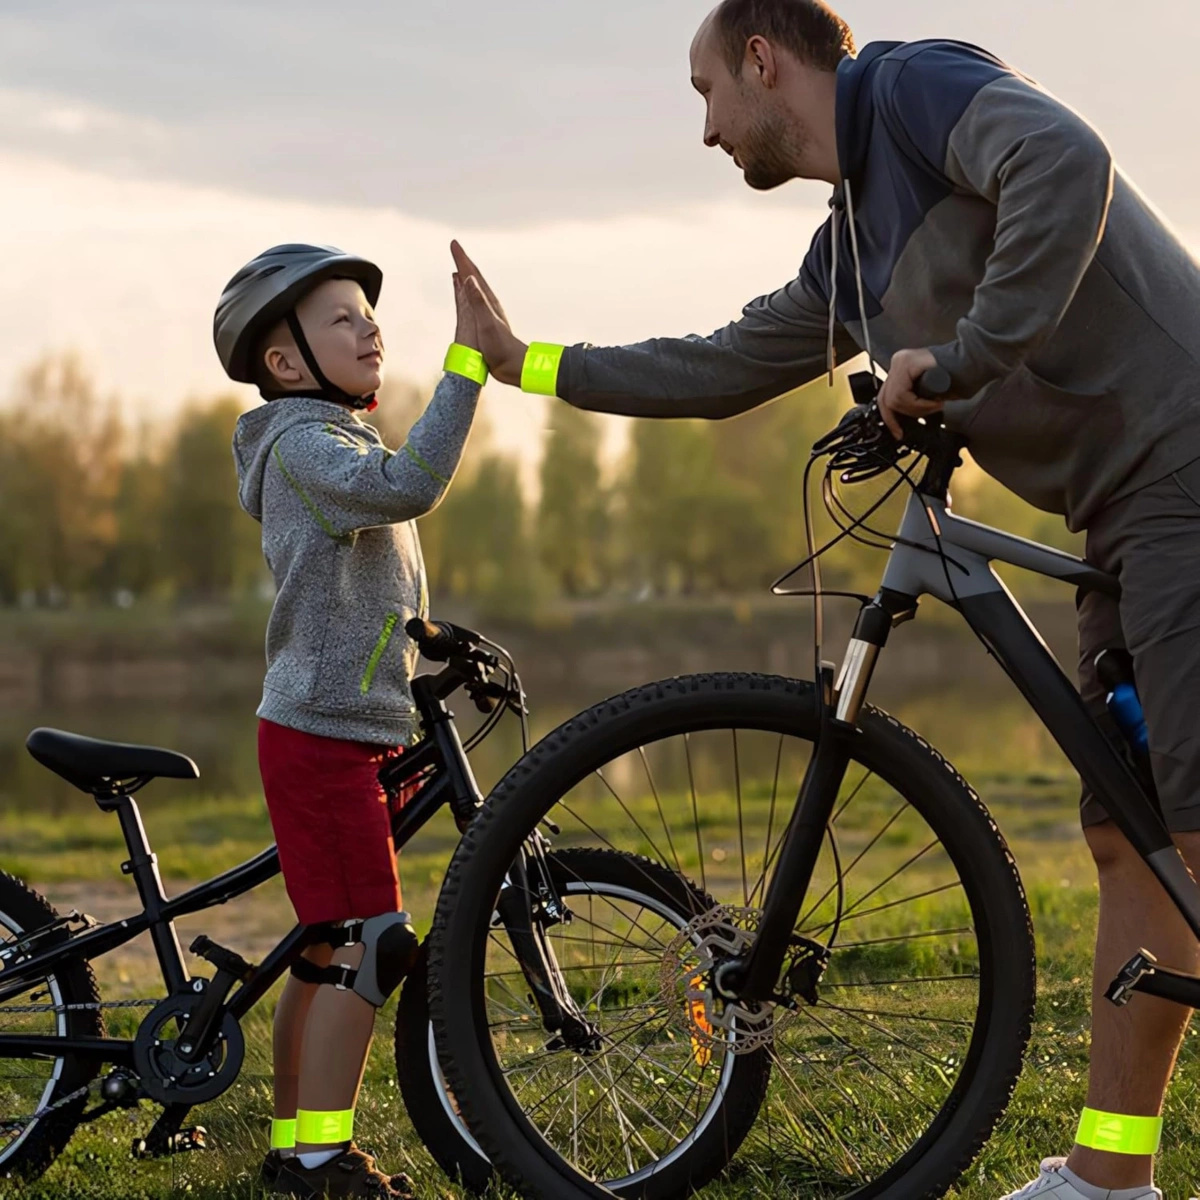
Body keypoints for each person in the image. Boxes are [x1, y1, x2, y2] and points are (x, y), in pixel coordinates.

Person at [451, 2, 1200, 1197]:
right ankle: (1111, 1178)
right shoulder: (844, 254)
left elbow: (1066, 162)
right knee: (1134, 842)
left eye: (705, 92)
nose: (706, 130)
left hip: (1184, 471)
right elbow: (718, 366)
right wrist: (527, 362)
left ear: (763, 60)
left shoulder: (912, 90)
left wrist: (964, 360)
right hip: (1124, 515)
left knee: (1192, 834)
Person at [213, 241, 487, 1197]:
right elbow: (410, 486)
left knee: (327, 943)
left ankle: (296, 1147)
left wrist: (431, 643)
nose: (369, 330)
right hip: (321, 733)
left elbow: (371, 588)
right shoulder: (304, 449)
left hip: (352, 726)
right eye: (341, 318)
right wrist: (467, 366)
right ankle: (323, 1161)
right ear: (284, 362)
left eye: (370, 315)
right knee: (373, 942)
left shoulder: (335, 443)